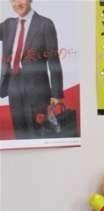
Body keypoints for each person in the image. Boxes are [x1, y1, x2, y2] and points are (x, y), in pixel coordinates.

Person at [0, 0, 63, 139]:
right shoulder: (7, 25)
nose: (17, 3)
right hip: (13, 86)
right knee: (19, 131)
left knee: (37, 132)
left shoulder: (45, 24)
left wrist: (56, 94)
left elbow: (54, 61)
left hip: (37, 88)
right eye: (13, 0)